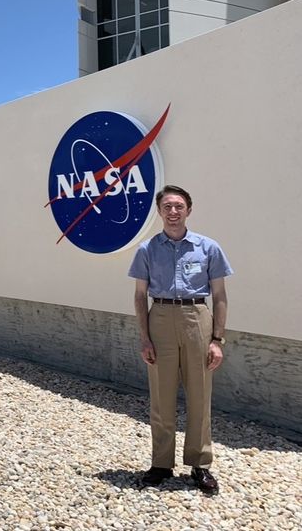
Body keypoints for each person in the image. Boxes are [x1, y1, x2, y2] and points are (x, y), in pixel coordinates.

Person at [128, 185, 233, 494]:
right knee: (161, 396)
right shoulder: (147, 250)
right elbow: (139, 296)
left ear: (189, 210)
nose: (173, 212)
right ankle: (161, 463)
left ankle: (200, 464)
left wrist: (217, 340)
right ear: (159, 211)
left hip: (196, 318)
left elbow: (220, 295)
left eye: (179, 206)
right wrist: (145, 338)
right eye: (167, 207)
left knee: (200, 393)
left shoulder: (208, 247)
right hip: (160, 317)